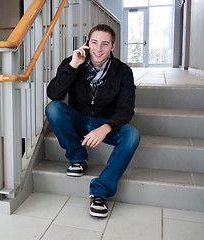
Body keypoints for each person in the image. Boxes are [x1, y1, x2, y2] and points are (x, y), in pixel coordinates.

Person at [45, 24, 140, 218]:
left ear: (112, 46)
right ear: (87, 43)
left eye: (105, 44)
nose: (98, 49)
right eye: (94, 42)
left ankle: (100, 191)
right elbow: (54, 94)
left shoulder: (123, 72)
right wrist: (73, 66)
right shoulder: (72, 63)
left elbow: (126, 109)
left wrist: (106, 127)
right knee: (53, 108)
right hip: (79, 119)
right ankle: (78, 157)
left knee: (132, 135)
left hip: (105, 123)